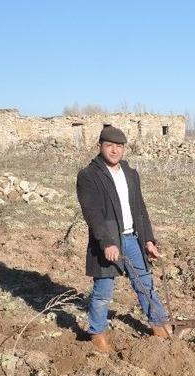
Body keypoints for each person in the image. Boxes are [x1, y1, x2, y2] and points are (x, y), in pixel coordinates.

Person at [76, 125, 169, 352]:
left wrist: (148, 240)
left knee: (145, 285)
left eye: (119, 146)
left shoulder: (131, 174)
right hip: (107, 242)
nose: (114, 150)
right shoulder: (88, 176)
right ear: (99, 146)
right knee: (103, 291)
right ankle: (97, 333)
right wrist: (107, 242)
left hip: (133, 239)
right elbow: (92, 214)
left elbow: (140, 210)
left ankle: (159, 324)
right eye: (109, 145)